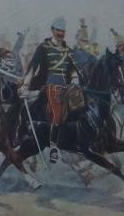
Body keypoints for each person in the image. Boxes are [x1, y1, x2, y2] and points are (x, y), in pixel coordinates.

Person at [19, 16, 79, 163]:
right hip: (51, 84)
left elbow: (72, 69)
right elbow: (33, 67)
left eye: (63, 31)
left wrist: (75, 79)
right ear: (52, 30)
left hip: (68, 86)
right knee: (57, 110)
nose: (61, 33)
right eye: (58, 30)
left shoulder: (68, 50)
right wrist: (25, 85)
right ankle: (53, 146)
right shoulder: (44, 47)